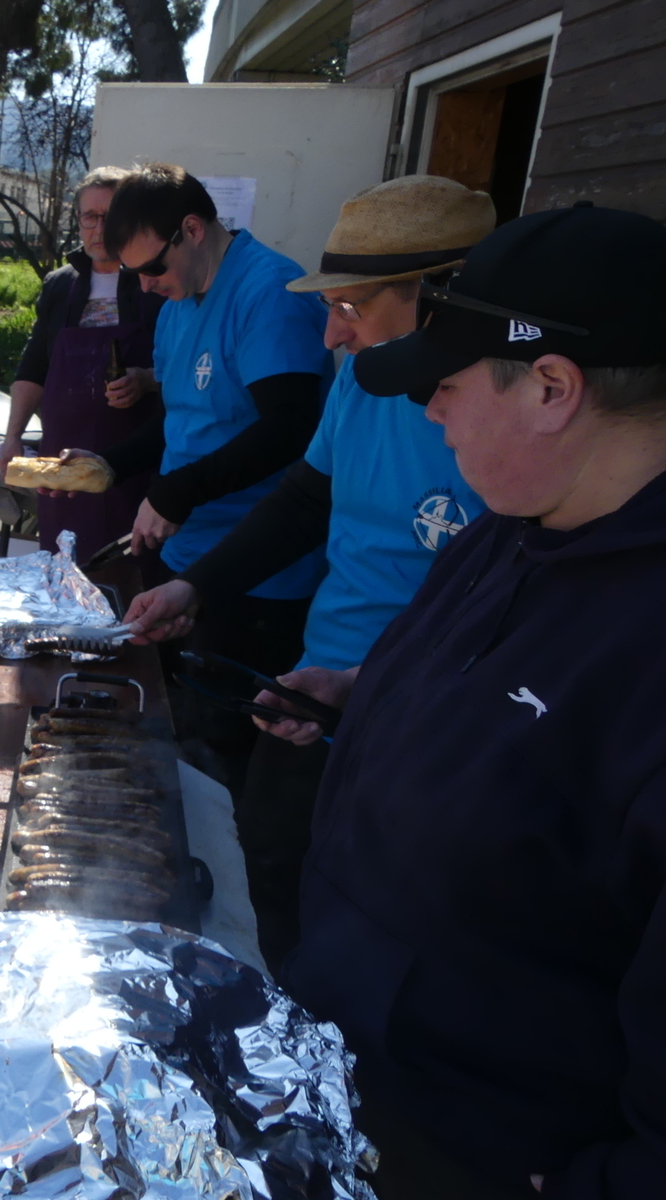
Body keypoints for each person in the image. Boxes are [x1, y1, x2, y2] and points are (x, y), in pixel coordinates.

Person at [271, 205, 666, 1199]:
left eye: (444, 386)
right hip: (338, 1070)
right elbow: (498, 715)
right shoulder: (509, 527)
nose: (429, 413)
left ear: (550, 388)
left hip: (468, 1151)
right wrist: (359, 698)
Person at [117, 176, 495, 967]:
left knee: (369, 936)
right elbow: (302, 502)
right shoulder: (361, 378)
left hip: (422, 723)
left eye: (350, 306)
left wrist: (367, 685)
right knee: (263, 882)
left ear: (441, 300)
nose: (330, 335)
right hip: (315, 685)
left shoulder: (499, 424)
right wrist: (198, 585)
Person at [55, 164, 332, 790]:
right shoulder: (178, 304)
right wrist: (106, 466)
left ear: (193, 229)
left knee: (228, 756)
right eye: (134, 274)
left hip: (256, 575)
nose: (147, 286)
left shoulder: (270, 293)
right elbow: (180, 420)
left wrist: (179, 492)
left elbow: (290, 428)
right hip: (186, 562)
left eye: (153, 267)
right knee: (181, 735)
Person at [0, 165, 163, 558]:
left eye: (111, 216)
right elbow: (34, 367)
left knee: (128, 571)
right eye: (90, 217)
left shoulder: (154, 284)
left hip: (134, 465)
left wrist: (147, 379)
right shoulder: (60, 285)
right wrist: (13, 435)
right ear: (78, 220)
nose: (100, 229)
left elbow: (186, 369)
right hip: (64, 468)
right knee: (64, 567)